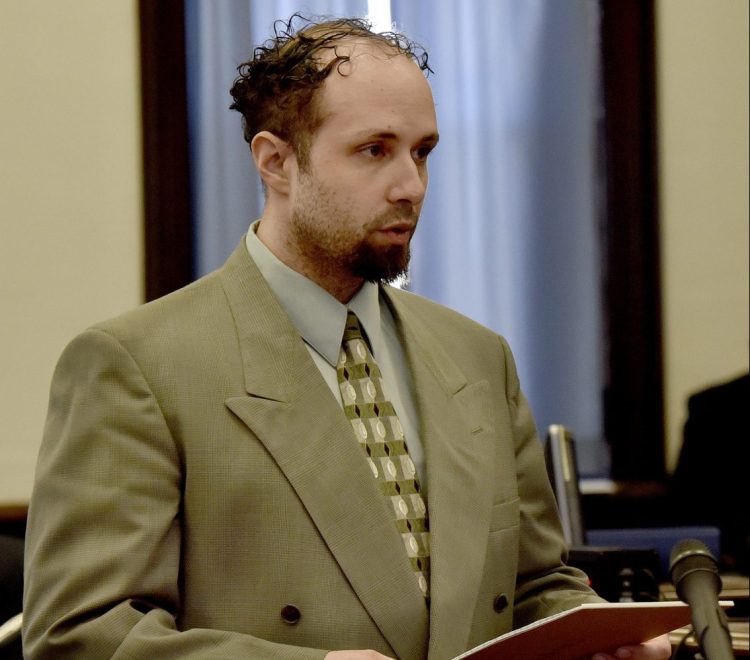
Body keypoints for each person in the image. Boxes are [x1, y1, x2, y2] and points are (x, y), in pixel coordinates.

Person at [23, 15, 671, 660]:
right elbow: (81, 635)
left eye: (422, 152)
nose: (410, 186)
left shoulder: (477, 357)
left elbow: (532, 586)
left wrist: (598, 632)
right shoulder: (139, 365)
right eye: (375, 150)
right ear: (276, 162)